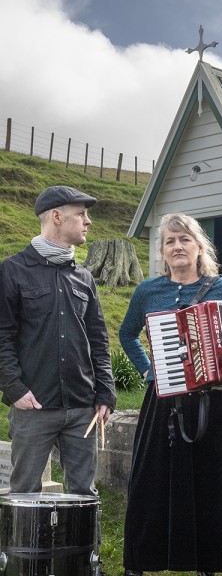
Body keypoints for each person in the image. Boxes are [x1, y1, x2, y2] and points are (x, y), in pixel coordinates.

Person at [119, 213, 222, 576]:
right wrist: (149, 370)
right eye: (170, 241)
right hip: (164, 401)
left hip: (216, 402)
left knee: (214, 479)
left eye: (184, 239)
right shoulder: (148, 291)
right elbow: (127, 334)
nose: (177, 247)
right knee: (151, 478)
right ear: (162, 251)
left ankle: (210, 562)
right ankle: (143, 560)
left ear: (199, 247)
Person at [0, 185, 116, 495]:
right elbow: (2, 337)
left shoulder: (84, 277)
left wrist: (105, 393)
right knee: (25, 495)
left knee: (84, 495)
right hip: (33, 406)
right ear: (56, 217)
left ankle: (82, 534)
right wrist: (15, 389)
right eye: (81, 214)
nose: (88, 221)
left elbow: (99, 340)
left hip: (82, 408)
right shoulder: (12, 271)